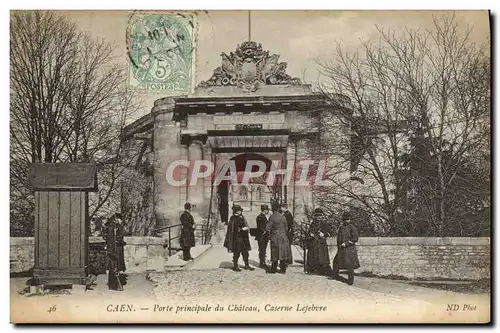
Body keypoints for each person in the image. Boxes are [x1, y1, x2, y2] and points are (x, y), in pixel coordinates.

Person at [332, 211, 360, 285]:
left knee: (350, 265)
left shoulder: (352, 227)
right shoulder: (341, 227)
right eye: (344, 219)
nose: (346, 221)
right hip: (342, 249)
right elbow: (338, 238)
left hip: (350, 250)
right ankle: (335, 276)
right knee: (335, 262)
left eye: (347, 219)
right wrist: (339, 246)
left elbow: (355, 238)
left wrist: (346, 243)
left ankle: (350, 281)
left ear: (349, 219)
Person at [224, 205, 254, 271]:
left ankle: (247, 265)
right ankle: (235, 266)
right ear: (236, 211)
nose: (241, 211)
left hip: (244, 238)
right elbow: (232, 229)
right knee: (236, 253)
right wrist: (241, 229)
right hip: (237, 239)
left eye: (241, 210)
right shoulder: (233, 218)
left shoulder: (242, 217)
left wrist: (245, 229)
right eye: (239, 210)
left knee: (245, 252)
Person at [265, 202, 292, 274]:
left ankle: (273, 269)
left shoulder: (272, 217)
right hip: (283, 236)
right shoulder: (283, 217)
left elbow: (267, 228)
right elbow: (286, 227)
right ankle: (283, 269)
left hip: (275, 236)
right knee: (282, 252)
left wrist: (271, 234)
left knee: (275, 252)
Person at [305, 208, 333, 276]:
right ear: (315, 216)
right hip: (314, 243)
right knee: (313, 257)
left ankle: (323, 270)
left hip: (321, 243)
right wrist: (310, 234)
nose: (319, 217)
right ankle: (313, 269)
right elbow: (309, 232)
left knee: (322, 258)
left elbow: (330, 232)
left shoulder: (324, 224)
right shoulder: (313, 223)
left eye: (320, 215)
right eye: (317, 216)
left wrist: (324, 234)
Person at [103, 213, 126, 291]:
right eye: (120, 220)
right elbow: (110, 240)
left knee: (115, 267)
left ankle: (114, 285)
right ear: (116, 219)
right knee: (113, 267)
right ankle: (114, 286)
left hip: (116, 250)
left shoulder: (116, 228)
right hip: (114, 250)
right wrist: (111, 251)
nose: (121, 221)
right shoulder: (112, 228)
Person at [255, 204, 270, 269]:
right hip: (262, 237)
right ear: (264, 210)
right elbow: (261, 228)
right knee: (262, 250)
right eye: (267, 210)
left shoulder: (263, 216)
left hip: (263, 237)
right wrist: (266, 231)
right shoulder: (260, 217)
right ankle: (262, 263)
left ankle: (263, 262)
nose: (268, 211)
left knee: (263, 250)